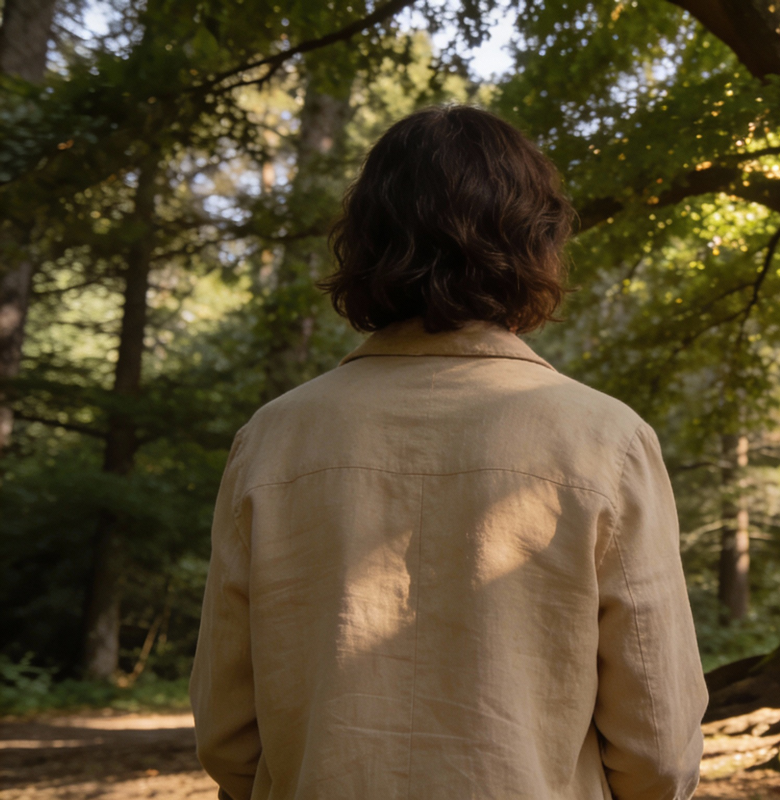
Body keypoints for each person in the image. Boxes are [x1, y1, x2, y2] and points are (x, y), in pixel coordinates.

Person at [191, 105, 708, 800]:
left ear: (365, 240)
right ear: (537, 242)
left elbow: (226, 733)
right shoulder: (606, 440)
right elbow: (658, 745)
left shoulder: (272, 439)